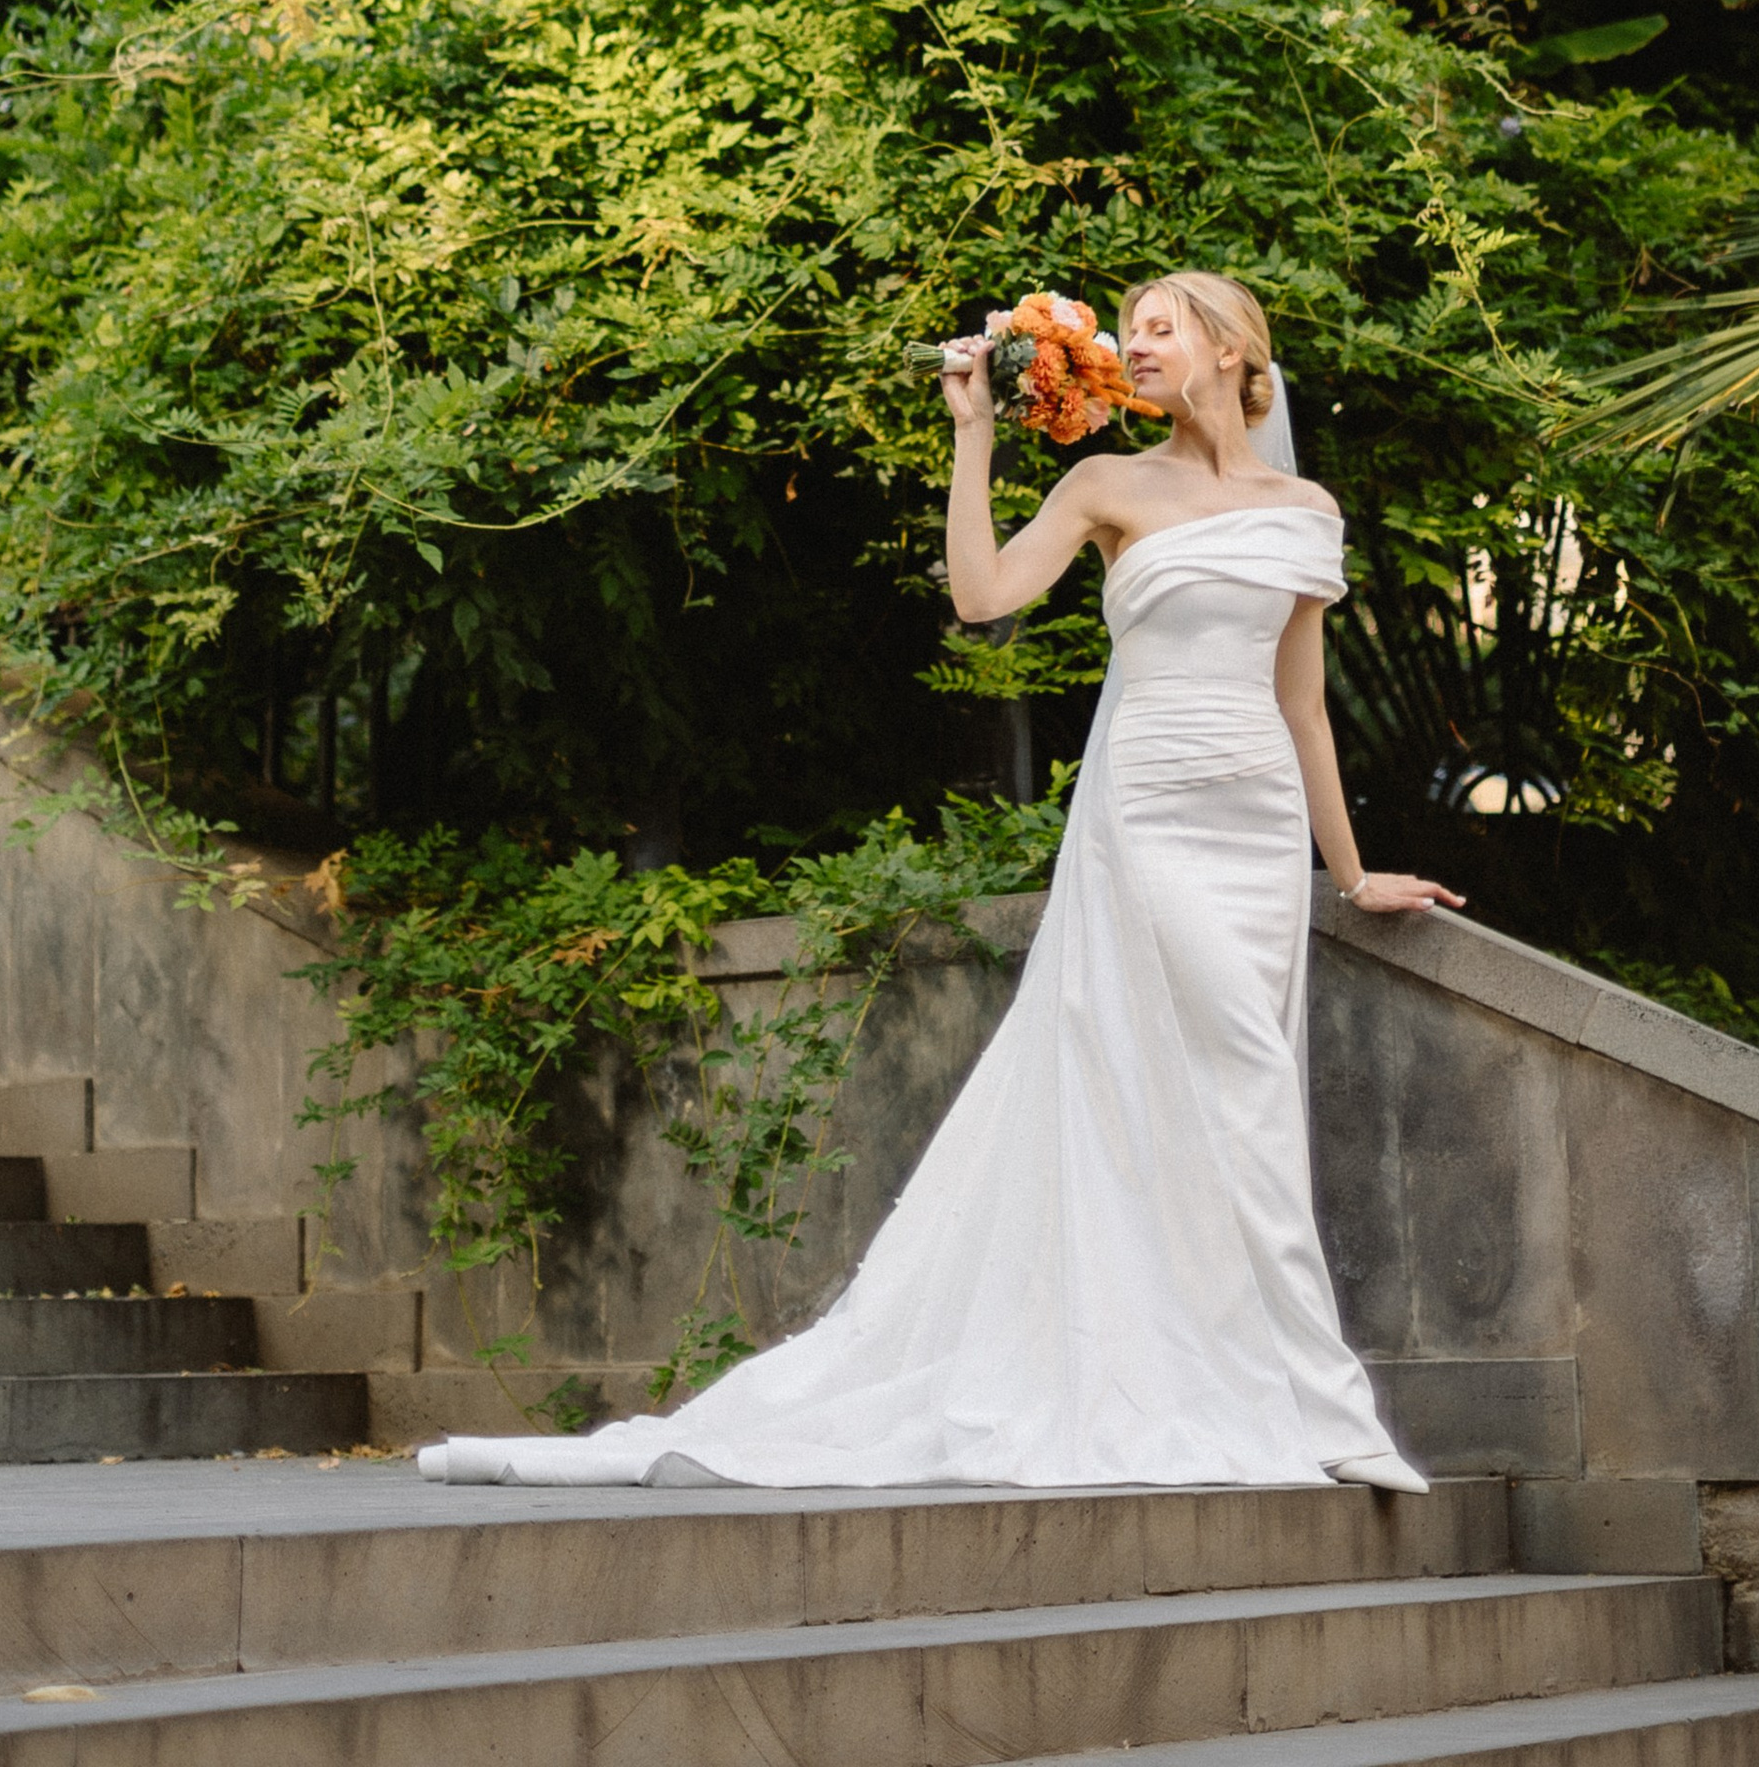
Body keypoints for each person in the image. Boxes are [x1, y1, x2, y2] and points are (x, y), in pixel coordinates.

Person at [419, 269, 1461, 1489]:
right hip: (1151, 813)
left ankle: (1234, 1376)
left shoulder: (1304, 508)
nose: (1134, 350)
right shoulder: (1105, 483)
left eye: (1159, 331)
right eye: (1123, 334)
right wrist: (973, 436)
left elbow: (1303, 706)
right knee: (1237, 1080)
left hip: (1257, 829)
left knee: (1241, 1096)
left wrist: (1347, 873)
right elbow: (982, 598)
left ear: (1231, 350)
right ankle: (1329, 1410)